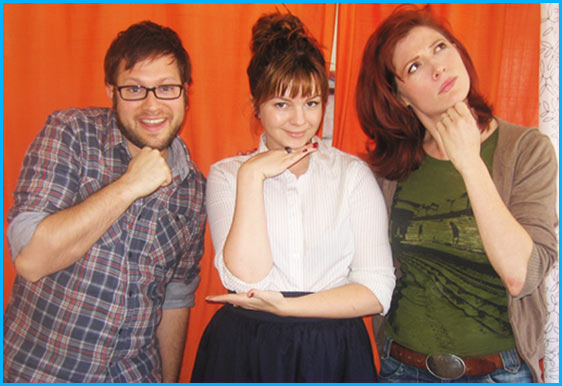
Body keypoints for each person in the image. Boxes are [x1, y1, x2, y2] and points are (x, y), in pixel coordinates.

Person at [355, 5, 558, 383]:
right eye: (414, 66)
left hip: (499, 372)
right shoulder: (390, 171)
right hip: (400, 369)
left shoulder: (526, 149)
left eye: (440, 47)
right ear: (399, 95)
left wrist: (469, 161)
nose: (437, 68)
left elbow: (521, 276)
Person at [191, 12, 395, 382]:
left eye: (312, 103)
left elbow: (377, 290)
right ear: (257, 105)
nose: (300, 121)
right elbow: (243, 278)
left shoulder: (351, 174)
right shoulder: (227, 174)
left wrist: (287, 308)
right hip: (246, 348)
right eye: (282, 104)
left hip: (335, 351)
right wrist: (252, 174)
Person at [3, 21, 206, 382]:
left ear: (186, 92)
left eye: (166, 88)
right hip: (38, 372)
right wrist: (129, 185)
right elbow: (31, 260)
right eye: (134, 89)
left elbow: (175, 298)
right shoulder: (71, 133)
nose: (152, 105)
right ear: (110, 91)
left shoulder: (193, 188)